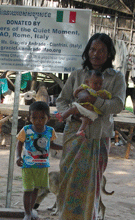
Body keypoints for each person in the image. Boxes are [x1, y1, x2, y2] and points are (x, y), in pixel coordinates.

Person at [56, 33, 126, 219]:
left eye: (102, 50)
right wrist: (74, 112)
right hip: (74, 134)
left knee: (90, 184)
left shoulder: (116, 77)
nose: (96, 54)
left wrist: (95, 101)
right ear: (87, 52)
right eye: (93, 49)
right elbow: (62, 100)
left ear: (109, 54)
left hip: (98, 137)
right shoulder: (77, 75)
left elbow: (118, 105)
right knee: (68, 179)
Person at [16, 101, 62, 220]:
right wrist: (18, 156)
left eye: (42, 118)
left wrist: (63, 148)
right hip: (28, 166)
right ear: (29, 118)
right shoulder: (26, 130)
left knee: (36, 189)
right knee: (28, 190)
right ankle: (27, 213)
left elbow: (52, 144)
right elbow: (19, 143)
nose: (38, 120)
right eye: (34, 117)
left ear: (48, 118)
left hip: (42, 166)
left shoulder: (50, 131)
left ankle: (31, 210)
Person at [56, 69, 112, 136]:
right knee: (72, 109)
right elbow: (75, 93)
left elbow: (109, 98)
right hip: (82, 107)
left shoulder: (102, 92)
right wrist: (77, 93)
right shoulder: (85, 87)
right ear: (87, 82)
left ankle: (80, 131)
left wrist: (104, 97)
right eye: (95, 83)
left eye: (100, 84)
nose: (98, 86)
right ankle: (62, 116)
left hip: (92, 111)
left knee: (86, 121)